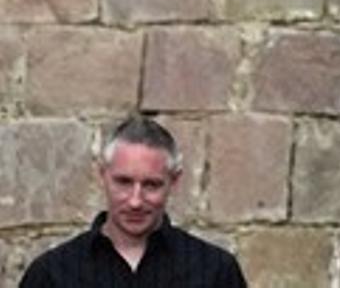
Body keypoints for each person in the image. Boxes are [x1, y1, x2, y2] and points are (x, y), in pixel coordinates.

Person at [19, 113, 247, 287]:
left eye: (151, 185)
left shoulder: (215, 272)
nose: (135, 201)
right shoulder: (51, 275)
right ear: (102, 176)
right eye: (124, 182)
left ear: (174, 182)